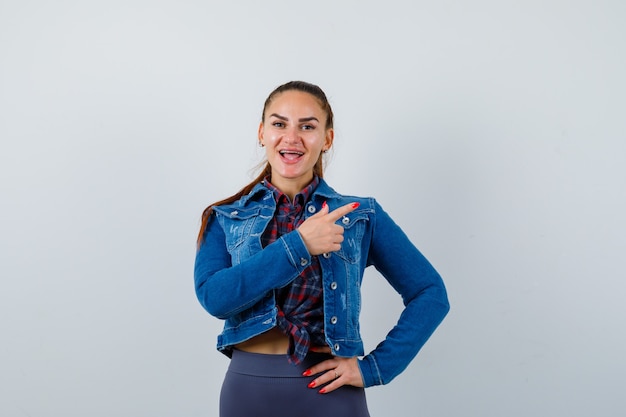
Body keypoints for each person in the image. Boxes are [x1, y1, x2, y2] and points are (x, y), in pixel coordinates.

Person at [194, 81, 449, 417]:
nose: (292, 137)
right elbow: (215, 298)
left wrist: (374, 368)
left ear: (327, 139)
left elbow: (430, 294)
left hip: (330, 396)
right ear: (262, 132)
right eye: (279, 123)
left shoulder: (359, 216)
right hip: (248, 393)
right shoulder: (225, 216)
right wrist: (298, 245)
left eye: (308, 126)